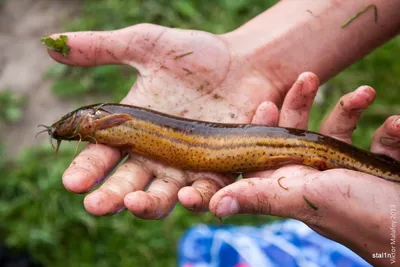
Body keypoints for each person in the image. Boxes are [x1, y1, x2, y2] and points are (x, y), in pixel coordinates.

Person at [44, 0, 400, 266]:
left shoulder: (107, 119)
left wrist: (391, 234)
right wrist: (253, 60)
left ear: (93, 121)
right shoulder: (109, 122)